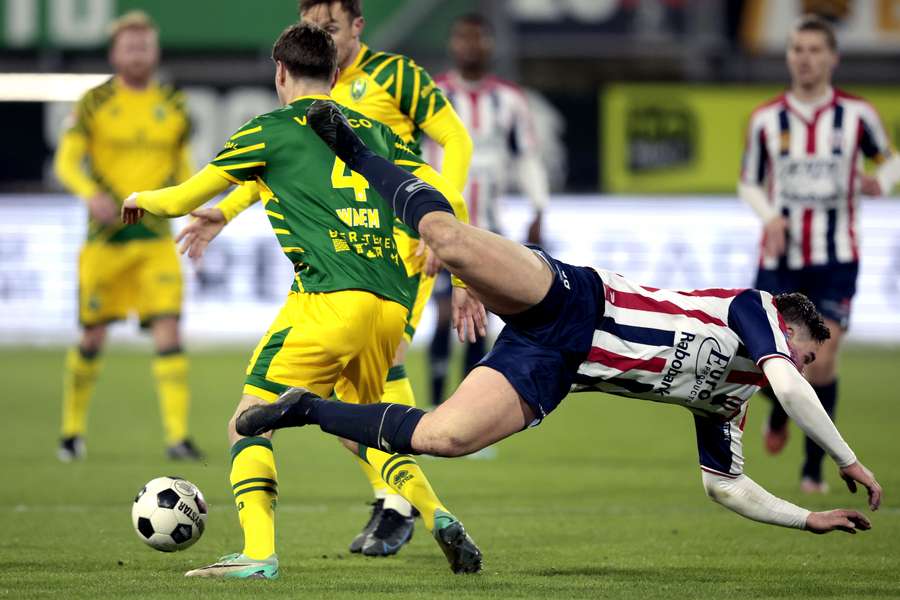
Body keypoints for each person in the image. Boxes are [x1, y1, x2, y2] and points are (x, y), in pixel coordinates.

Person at [235, 99, 883, 540]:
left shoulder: (729, 404)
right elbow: (794, 384)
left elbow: (727, 488)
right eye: (802, 352)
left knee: (442, 438)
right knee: (452, 241)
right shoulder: (756, 308)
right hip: (576, 297)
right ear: (788, 326)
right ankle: (353, 150)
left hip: (555, 370)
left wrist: (808, 519)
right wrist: (847, 458)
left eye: (800, 360)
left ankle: (306, 409)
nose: (799, 366)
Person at [122, 24, 480, 578]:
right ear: (336, 77)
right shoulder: (375, 133)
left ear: (280, 73)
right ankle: (439, 518)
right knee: (355, 427)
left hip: (327, 300)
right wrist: (462, 279)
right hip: (389, 306)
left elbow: (182, 199)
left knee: (248, 422)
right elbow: (449, 198)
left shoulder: (268, 129)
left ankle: (259, 554)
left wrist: (138, 196)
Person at [203, 0, 473, 555]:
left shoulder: (395, 75)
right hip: (348, 254)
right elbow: (277, 170)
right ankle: (414, 504)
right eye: (311, 28)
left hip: (395, 247)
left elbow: (458, 141)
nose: (319, 35)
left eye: (328, 27)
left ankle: (395, 506)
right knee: (355, 402)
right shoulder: (306, 99)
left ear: (356, 27)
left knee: (371, 374)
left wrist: (437, 228)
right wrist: (225, 212)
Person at [738, 15, 900, 492]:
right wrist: (769, 215)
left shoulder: (855, 115)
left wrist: (882, 181)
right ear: (788, 56)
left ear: (832, 57)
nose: (804, 58)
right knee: (765, 357)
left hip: (836, 256)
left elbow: (890, 159)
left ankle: (813, 466)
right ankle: (779, 413)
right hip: (781, 256)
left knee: (822, 363)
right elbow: (748, 180)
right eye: (797, 49)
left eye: (813, 50)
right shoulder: (768, 119)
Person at [53, 11, 202, 462]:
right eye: (130, 45)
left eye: (145, 45)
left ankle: (177, 438)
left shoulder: (174, 105)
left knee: (169, 330)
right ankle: (71, 432)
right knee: (93, 336)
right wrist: (89, 193)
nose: (138, 52)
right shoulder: (95, 102)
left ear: (155, 51)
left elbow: (183, 170)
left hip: (155, 238)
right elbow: (65, 161)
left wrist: (194, 206)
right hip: (104, 240)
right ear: (115, 53)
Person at [428, 13, 550, 407]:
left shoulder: (510, 100)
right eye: (463, 38)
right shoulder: (433, 94)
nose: (470, 46)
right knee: (445, 315)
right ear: (452, 44)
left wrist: (538, 207)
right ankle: (432, 406)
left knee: (477, 319)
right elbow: (407, 151)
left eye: (477, 38)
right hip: (437, 225)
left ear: (490, 45)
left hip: (489, 229)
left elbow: (527, 157)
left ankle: (464, 411)